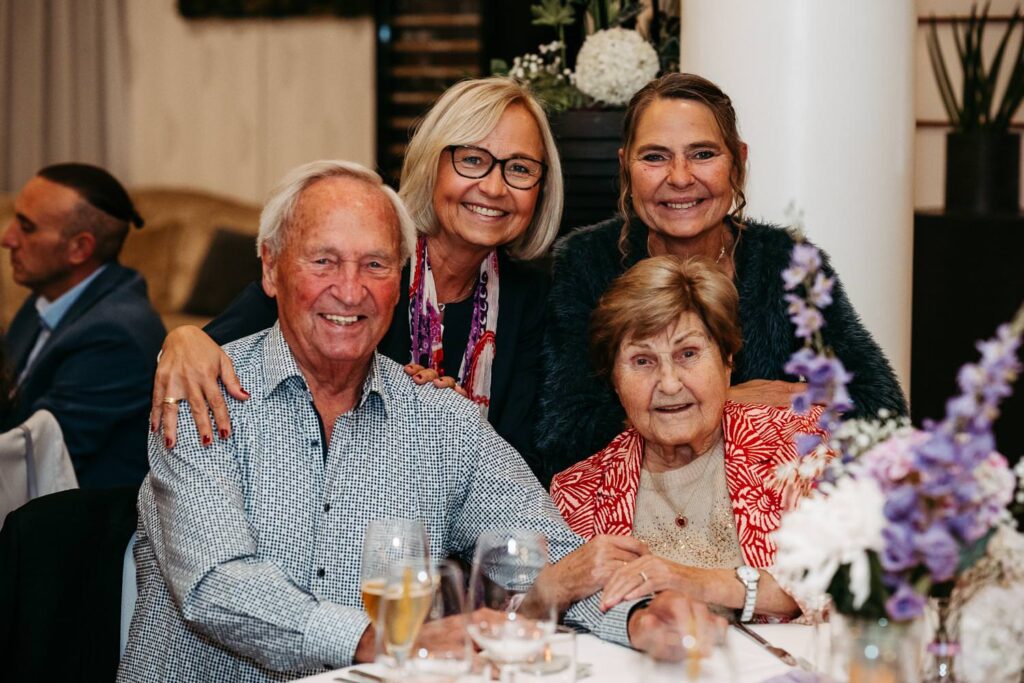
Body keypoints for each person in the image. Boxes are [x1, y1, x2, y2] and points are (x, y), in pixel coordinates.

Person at [118, 160, 716, 682]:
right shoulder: (200, 393)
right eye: (323, 260)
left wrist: (639, 618)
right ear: (271, 269)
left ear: (401, 278)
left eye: (375, 264)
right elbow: (214, 586)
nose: (349, 291)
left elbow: (547, 556)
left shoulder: (442, 422)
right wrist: (385, 644)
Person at [150, 77, 559, 479]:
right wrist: (184, 338)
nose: (493, 187)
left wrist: (453, 426)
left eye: (520, 168)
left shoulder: (535, 297)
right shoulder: (364, 265)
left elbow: (523, 461)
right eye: (472, 160)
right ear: (432, 164)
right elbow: (219, 346)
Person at [537, 72, 906, 481]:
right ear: (626, 166)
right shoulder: (586, 262)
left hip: (769, 507)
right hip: (632, 506)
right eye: (655, 157)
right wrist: (726, 402)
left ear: (738, 161)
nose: (679, 177)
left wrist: (796, 397)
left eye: (703, 154)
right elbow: (564, 436)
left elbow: (882, 408)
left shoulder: (788, 262)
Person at [550, 256, 825, 621]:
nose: (668, 383)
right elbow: (557, 618)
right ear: (614, 379)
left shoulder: (796, 446)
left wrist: (700, 583)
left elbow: (851, 579)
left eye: (688, 354)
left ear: (728, 360)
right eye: (642, 361)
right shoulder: (578, 493)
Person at [1, 163, 166, 487]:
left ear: (79, 248)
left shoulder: (114, 336)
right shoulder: (45, 298)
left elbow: (36, 460)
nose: (7, 238)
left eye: (26, 227)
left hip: (74, 524)